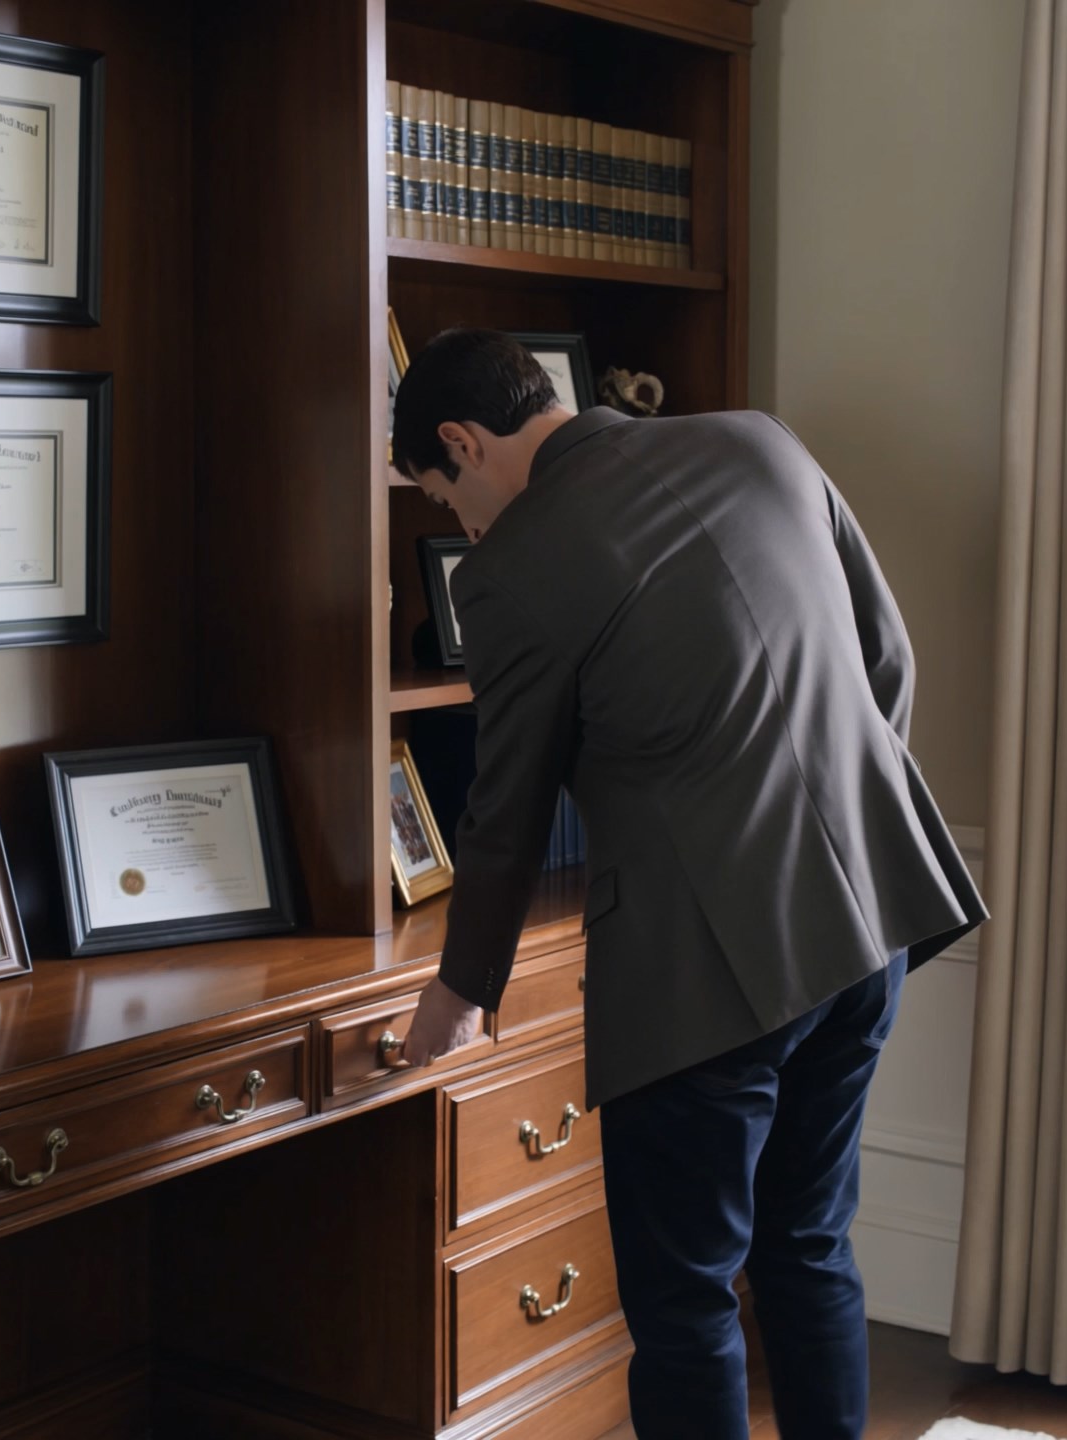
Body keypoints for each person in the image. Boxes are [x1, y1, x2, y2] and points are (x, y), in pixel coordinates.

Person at [392, 329, 987, 1440]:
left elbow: (507, 808)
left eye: (443, 495)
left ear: (463, 443)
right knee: (808, 1245)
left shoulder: (513, 566)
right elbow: (888, 655)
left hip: (702, 979)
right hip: (866, 930)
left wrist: (463, 987)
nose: (460, 527)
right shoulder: (760, 442)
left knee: (684, 1304)